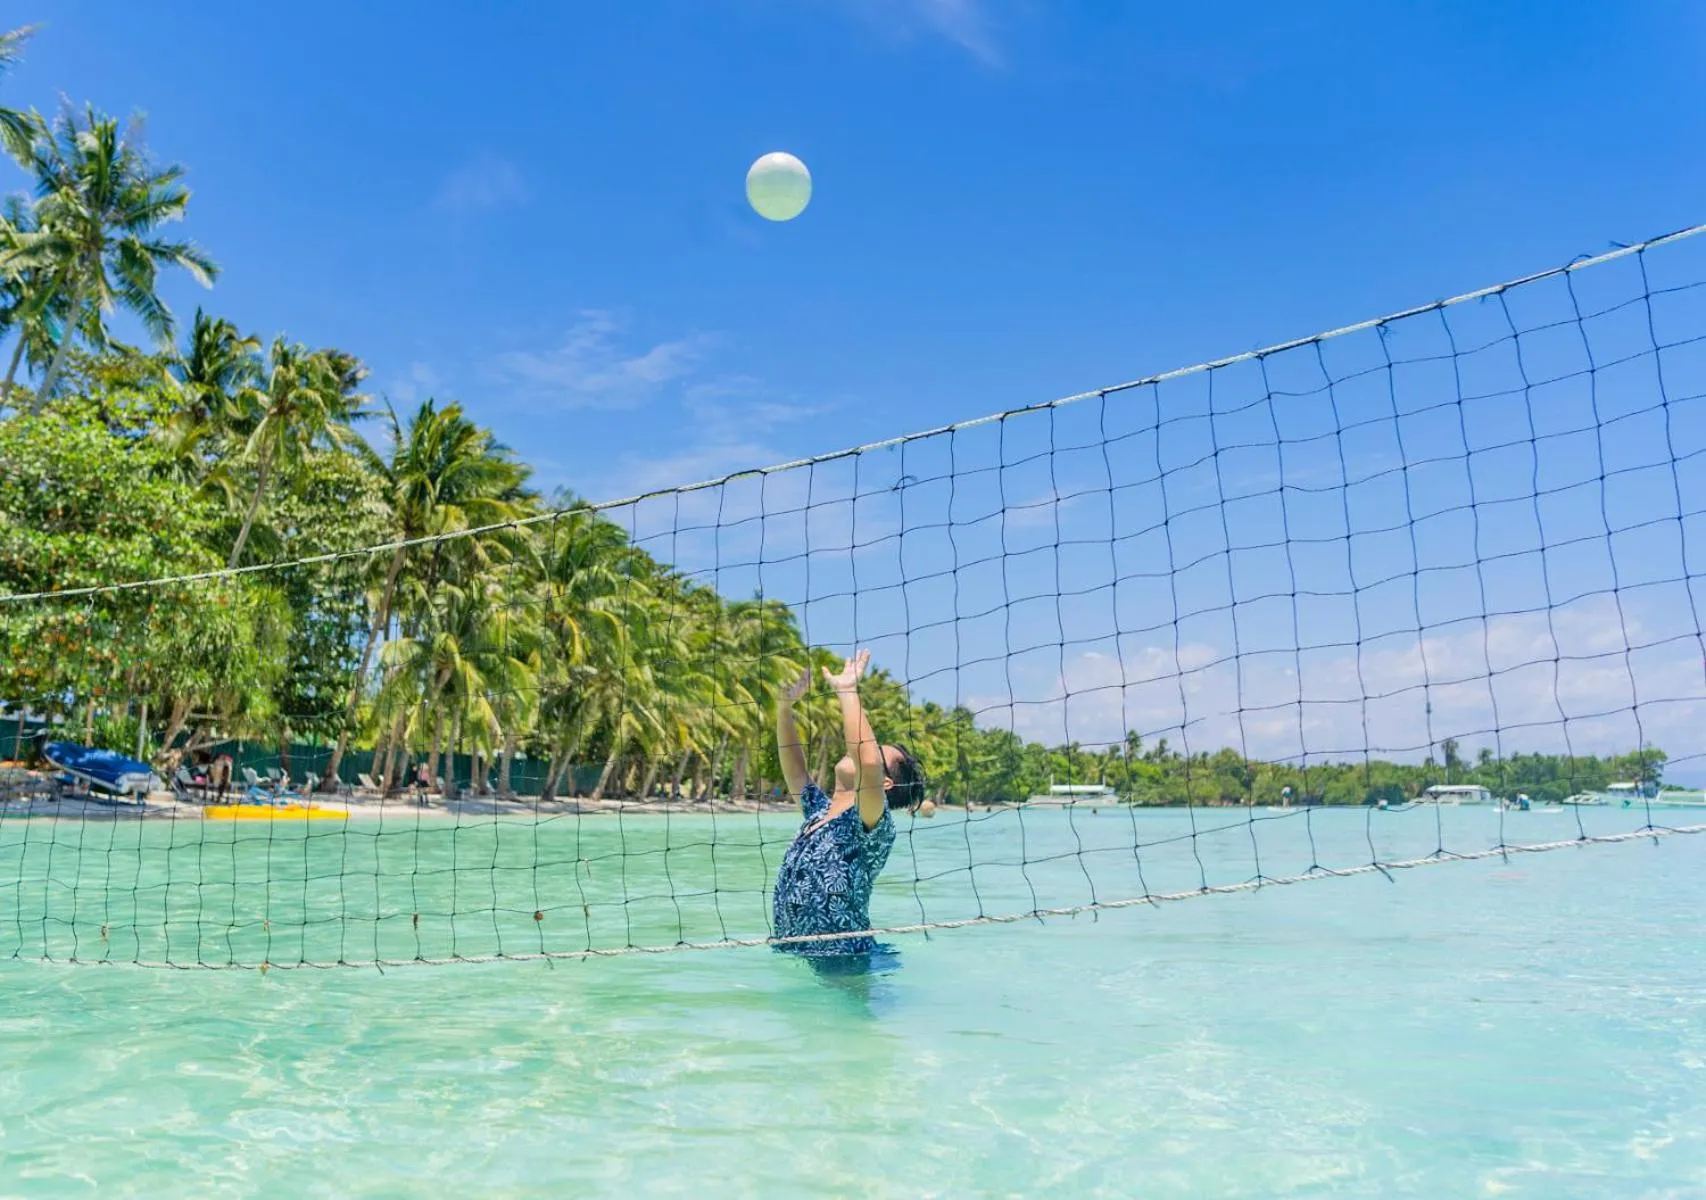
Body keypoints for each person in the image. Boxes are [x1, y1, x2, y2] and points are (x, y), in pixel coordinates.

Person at [771, 650, 926, 962]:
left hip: (845, 959)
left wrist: (846, 690)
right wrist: (784, 708)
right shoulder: (818, 811)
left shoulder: (870, 821)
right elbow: (795, 768)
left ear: (884, 784)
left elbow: (866, 763)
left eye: (874, 752)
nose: (860, 752)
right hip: (800, 953)